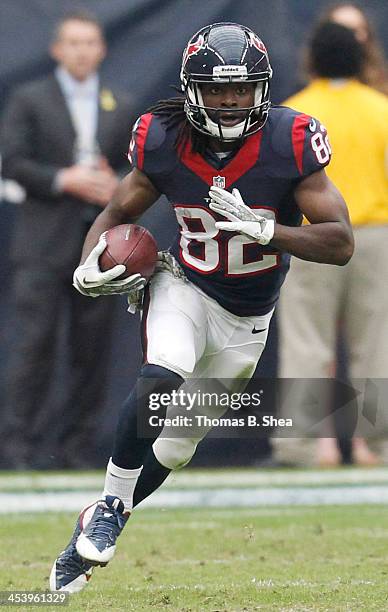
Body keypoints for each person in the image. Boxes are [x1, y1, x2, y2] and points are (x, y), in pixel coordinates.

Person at [49, 22, 353, 592]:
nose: (231, 101)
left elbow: (340, 243)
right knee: (163, 372)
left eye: (241, 89)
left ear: (261, 88)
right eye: (217, 89)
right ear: (192, 89)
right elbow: (118, 214)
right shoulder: (163, 139)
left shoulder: (290, 140)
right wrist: (90, 264)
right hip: (184, 284)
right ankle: (112, 507)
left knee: (179, 447)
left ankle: (94, 525)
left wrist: (271, 229)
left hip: (249, 317)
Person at [0, 11, 134, 468]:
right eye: (73, 43)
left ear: (102, 49)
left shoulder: (119, 100)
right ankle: (18, 448)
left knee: (91, 350)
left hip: (98, 247)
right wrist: (64, 179)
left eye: (90, 43)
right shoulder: (31, 99)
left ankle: (76, 448)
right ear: (57, 49)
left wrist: (111, 183)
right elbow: (12, 161)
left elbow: (136, 171)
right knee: (31, 347)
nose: (82, 51)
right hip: (41, 245)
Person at [273, 22, 388, 468]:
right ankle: (373, 445)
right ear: (362, 60)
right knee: (377, 345)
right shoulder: (381, 110)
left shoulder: (293, 114)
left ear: (312, 60)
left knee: (306, 342)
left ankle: (305, 445)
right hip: (376, 237)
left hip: (311, 237)